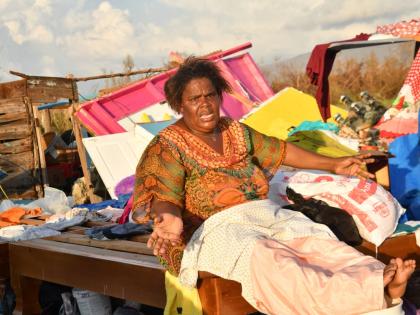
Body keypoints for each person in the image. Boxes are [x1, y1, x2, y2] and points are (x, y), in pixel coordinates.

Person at [131, 57, 416, 314]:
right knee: (271, 259)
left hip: (264, 214)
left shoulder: (235, 130)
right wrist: (169, 218)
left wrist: (334, 163)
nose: (204, 105)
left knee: (319, 240)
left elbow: (281, 151)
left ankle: (378, 283)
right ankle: (370, 293)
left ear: (220, 96)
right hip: (211, 231)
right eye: (194, 99)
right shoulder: (167, 146)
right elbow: (163, 193)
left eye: (210, 95)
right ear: (180, 104)